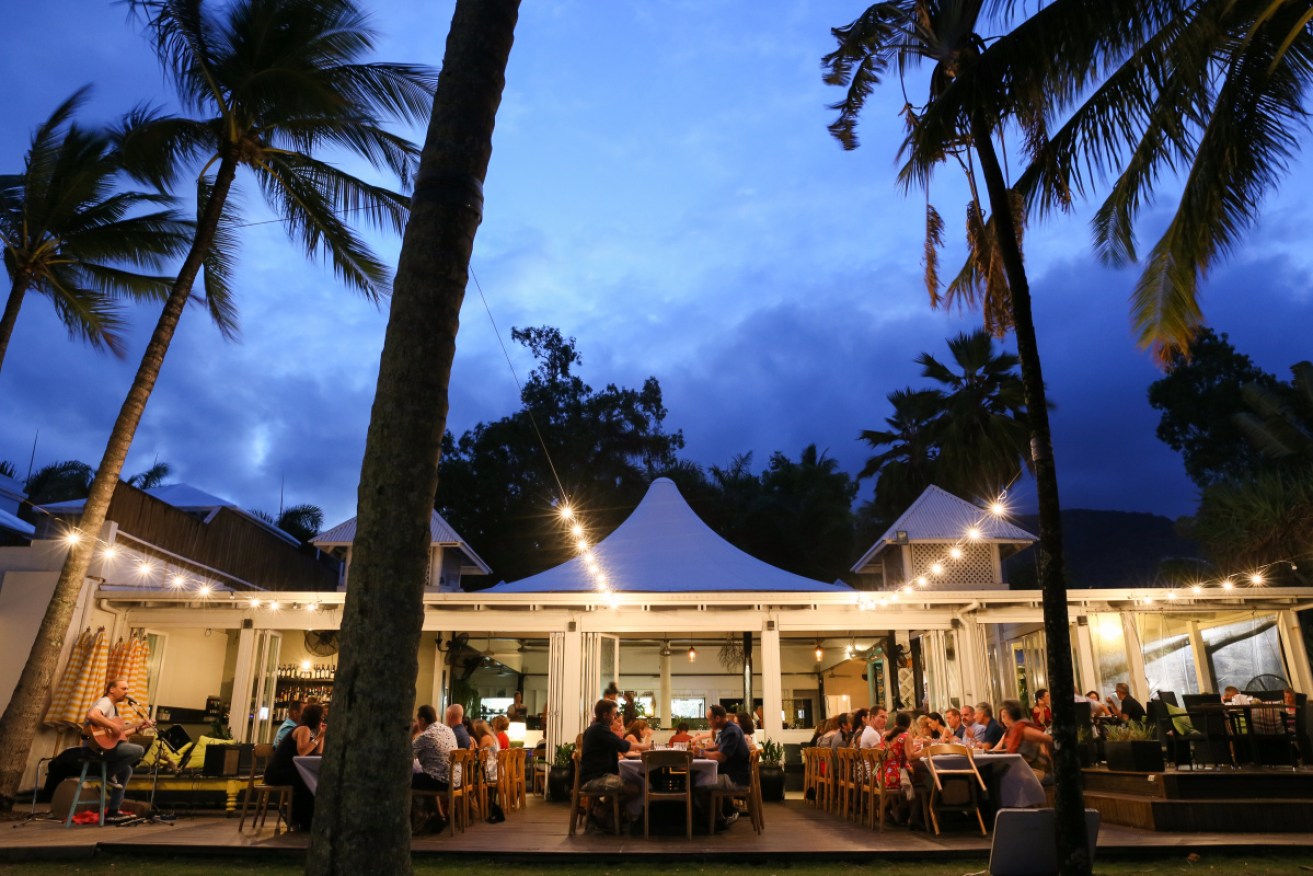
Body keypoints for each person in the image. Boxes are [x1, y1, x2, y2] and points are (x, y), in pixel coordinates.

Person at [83, 678, 151, 817]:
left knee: (126, 771)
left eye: (127, 689)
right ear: (112, 689)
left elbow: (119, 734)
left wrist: (138, 728)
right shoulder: (106, 702)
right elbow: (93, 715)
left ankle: (113, 811)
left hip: (105, 748)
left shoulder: (113, 709)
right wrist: (113, 726)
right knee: (138, 750)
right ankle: (107, 774)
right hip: (96, 749)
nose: (127, 692)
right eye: (123, 688)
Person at [579, 699, 648, 830]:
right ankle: (603, 811)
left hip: (594, 775)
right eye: (614, 714)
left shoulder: (595, 728)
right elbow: (622, 745)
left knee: (627, 782)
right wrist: (644, 747)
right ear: (605, 715)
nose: (615, 717)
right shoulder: (600, 730)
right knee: (635, 788)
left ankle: (607, 815)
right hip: (593, 779)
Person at [263, 702, 325, 831]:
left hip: (287, 770)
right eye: (321, 717)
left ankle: (298, 817)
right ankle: (298, 818)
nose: (323, 720)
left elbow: (318, 754)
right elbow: (303, 752)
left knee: (310, 779)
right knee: (307, 781)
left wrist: (321, 735)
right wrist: (319, 737)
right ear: (316, 718)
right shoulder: (303, 729)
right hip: (277, 772)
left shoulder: (309, 731)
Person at [698, 705, 750, 830]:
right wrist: (702, 750)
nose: (708, 722)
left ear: (717, 718)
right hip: (734, 775)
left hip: (736, 779)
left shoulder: (731, 731)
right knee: (701, 778)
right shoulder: (728, 729)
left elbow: (721, 756)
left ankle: (715, 821)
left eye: (709, 719)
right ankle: (718, 817)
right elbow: (718, 747)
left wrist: (700, 753)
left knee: (698, 783)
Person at [411, 705, 456, 832]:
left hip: (440, 781)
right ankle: (438, 815)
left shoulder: (426, 736)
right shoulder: (447, 730)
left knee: (406, 781)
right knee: (425, 776)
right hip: (453, 779)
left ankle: (420, 817)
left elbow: (406, 753)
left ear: (422, 720)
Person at [998, 701, 1053, 780]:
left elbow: (1049, 739)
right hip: (1025, 770)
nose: (1002, 720)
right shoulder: (1010, 732)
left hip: (1036, 771)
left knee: (1006, 777)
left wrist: (1046, 753)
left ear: (1012, 715)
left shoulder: (1024, 730)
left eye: (1004, 716)